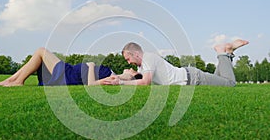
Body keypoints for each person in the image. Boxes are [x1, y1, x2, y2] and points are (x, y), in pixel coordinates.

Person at [103, 39, 249, 86]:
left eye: (128, 59)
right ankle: (227, 53)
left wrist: (121, 83)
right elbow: (135, 77)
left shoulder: (148, 58)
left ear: (135, 53)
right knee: (222, 80)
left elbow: (145, 82)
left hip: (192, 78)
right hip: (191, 76)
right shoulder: (144, 64)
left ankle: (222, 52)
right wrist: (119, 77)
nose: (129, 63)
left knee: (230, 83)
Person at [0, 47, 142, 87]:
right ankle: (12, 80)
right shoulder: (117, 75)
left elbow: (91, 84)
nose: (129, 67)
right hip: (70, 72)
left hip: (69, 75)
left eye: (133, 70)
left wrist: (90, 67)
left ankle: (15, 81)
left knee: (41, 51)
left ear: (133, 76)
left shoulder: (120, 78)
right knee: (39, 56)